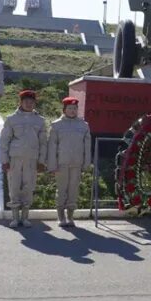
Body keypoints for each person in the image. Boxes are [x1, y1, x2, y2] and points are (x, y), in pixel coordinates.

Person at [0, 90, 47, 228]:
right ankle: (15, 218)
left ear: (34, 103)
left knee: (29, 187)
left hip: (32, 159)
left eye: (31, 102)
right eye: (26, 101)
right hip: (15, 159)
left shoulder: (40, 120)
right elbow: (4, 141)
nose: (29, 104)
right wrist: (4, 160)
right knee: (14, 187)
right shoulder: (11, 119)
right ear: (20, 102)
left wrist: (41, 161)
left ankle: (25, 218)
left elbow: (43, 143)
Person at [47, 97, 91, 227]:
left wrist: (86, 163)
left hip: (76, 164)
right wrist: (52, 165)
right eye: (70, 108)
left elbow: (87, 147)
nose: (72, 111)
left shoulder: (84, 125)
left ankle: (70, 217)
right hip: (61, 164)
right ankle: (61, 216)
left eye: (75, 108)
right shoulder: (56, 125)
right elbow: (52, 147)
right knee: (61, 190)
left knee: (73, 190)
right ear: (64, 109)